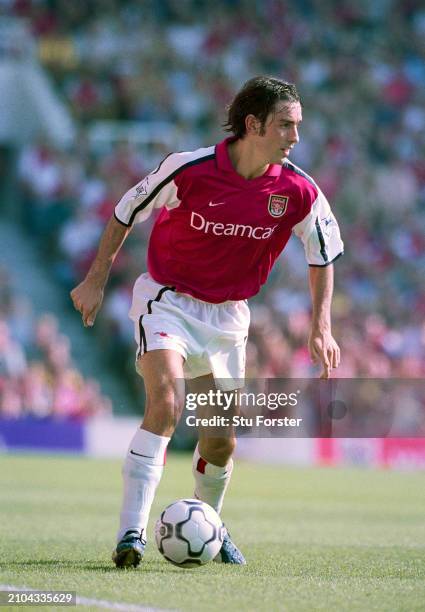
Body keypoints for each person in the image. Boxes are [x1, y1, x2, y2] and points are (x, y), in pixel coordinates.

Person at [70, 76, 344, 567]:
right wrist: (95, 279)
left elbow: (322, 252)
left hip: (227, 319)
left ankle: (210, 528)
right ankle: (130, 535)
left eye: (298, 125)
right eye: (286, 125)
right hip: (168, 302)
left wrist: (321, 326)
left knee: (220, 440)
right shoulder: (190, 168)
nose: (295, 137)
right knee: (168, 402)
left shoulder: (299, 190)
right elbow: (125, 210)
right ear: (253, 123)